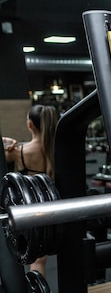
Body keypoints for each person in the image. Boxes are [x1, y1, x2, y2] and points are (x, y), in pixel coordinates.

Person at [3, 104, 58, 275]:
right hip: (53, 204)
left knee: (34, 258)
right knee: (42, 257)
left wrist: (5, 141)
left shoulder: (20, 152)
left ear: (30, 125)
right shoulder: (57, 149)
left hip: (31, 205)